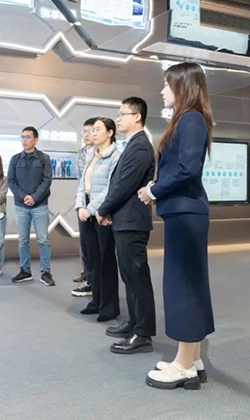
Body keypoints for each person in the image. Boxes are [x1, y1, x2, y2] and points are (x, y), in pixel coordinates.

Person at [138, 62, 215, 390]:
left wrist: (153, 190)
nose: (162, 91)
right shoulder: (189, 119)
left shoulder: (191, 119)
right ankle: (192, 358)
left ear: (182, 86)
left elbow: (186, 170)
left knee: (182, 285)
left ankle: (183, 364)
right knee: (189, 284)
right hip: (184, 213)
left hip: (186, 214)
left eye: (166, 85)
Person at [96, 97, 156, 354]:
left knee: (137, 278)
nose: (118, 119)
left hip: (132, 222)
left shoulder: (140, 147)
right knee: (130, 277)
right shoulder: (132, 144)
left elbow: (124, 185)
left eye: (123, 114)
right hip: (125, 220)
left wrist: (103, 209)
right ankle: (134, 322)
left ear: (137, 117)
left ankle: (142, 334)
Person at [74, 118, 121, 320]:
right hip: (85, 211)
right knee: (92, 260)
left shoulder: (116, 156)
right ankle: (96, 301)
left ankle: (109, 307)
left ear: (110, 133)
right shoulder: (92, 154)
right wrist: (80, 206)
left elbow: (111, 188)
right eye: (92, 130)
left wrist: (90, 209)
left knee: (105, 260)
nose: (93, 133)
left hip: (102, 213)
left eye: (97, 129)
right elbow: (81, 184)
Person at [8, 127, 55, 286]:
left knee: (43, 240)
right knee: (23, 240)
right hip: (21, 206)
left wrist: (34, 197)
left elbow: (47, 180)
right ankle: (25, 271)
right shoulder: (15, 159)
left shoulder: (44, 158)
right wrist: (24, 197)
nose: (24, 140)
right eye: (22, 137)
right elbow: (11, 181)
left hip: (40, 205)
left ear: (35, 139)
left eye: (27, 137)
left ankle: (45, 272)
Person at [72, 118, 97, 288]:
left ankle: (95, 277)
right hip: (83, 201)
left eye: (90, 131)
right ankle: (87, 272)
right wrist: (80, 203)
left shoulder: (102, 152)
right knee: (84, 241)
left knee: (96, 242)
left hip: (98, 201)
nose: (86, 135)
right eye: (84, 131)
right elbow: (79, 180)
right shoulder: (80, 153)